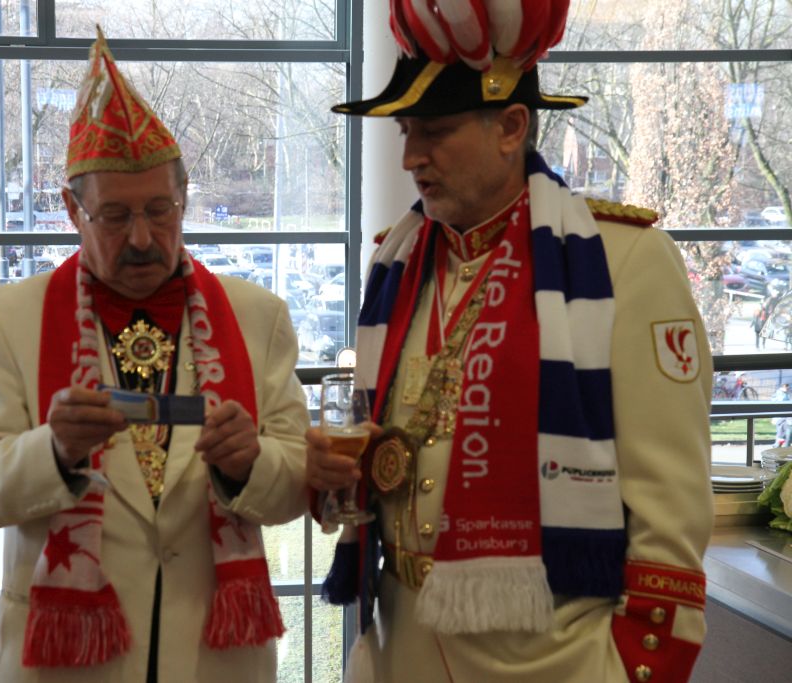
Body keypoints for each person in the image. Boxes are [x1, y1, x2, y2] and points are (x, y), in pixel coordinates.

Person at [305, 4, 713, 682]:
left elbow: (669, 523)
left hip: (554, 663)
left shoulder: (622, 263)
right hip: (400, 648)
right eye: (406, 131)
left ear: (512, 127)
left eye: (435, 131)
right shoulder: (398, 263)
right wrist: (336, 476)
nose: (410, 157)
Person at [0, 28, 308, 683]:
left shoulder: (260, 317)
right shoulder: (8, 320)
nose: (142, 237)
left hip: (215, 661)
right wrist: (53, 451)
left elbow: (300, 482)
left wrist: (251, 464)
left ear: (184, 200)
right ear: (71, 210)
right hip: (68, 667)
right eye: (114, 216)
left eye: (161, 211)